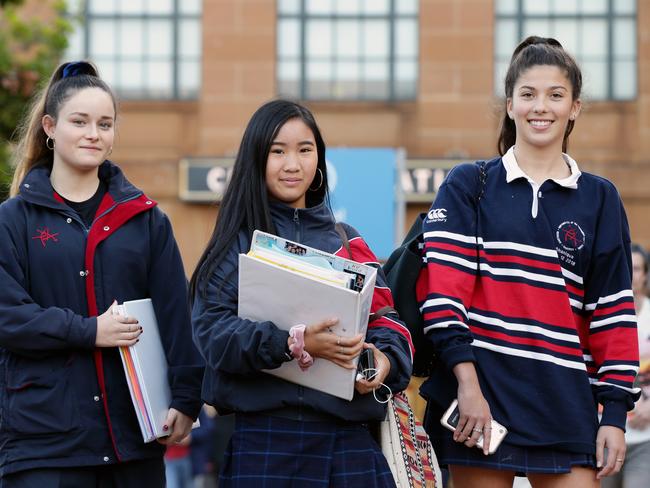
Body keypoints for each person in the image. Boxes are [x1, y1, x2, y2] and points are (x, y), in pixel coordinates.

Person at [417, 36, 640, 488]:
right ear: (510, 104)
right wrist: (469, 387)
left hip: (566, 403)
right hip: (482, 400)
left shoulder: (600, 199)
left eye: (556, 95)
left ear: (575, 107)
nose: (542, 107)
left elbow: (612, 315)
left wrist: (614, 413)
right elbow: (443, 298)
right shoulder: (470, 185)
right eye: (529, 94)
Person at [0, 61, 204, 487]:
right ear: (50, 128)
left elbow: (175, 316)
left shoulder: (146, 220)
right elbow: (9, 317)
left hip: (132, 440)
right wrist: (89, 330)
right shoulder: (12, 220)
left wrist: (187, 399)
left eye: (105, 124)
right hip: (42, 444)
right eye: (80, 121)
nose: (94, 133)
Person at [190, 99, 413, 487]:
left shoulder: (349, 242)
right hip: (265, 444)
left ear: (319, 159)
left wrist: (381, 363)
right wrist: (293, 342)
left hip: (349, 445)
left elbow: (390, 326)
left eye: (305, 150)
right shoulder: (235, 246)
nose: (293, 164)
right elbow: (212, 335)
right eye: (278, 151)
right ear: (256, 158)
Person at [602, 244, 650, 488]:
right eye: (627, 268)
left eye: (638, 269)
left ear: (646, 274)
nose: (632, 275)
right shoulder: (603, 315)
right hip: (604, 434)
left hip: (645, 438)